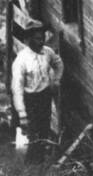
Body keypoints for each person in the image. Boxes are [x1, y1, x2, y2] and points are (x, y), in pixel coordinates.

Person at [11, 19, 63, 156]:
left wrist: (56, 80)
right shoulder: (21, 60)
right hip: (30, 100)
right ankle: (32, 164)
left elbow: (58, 63)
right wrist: (21, 113)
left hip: (45, 96)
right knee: (33, 133)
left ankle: (42, 161)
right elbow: (17, 89)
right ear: (29, 40)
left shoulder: (47, 52)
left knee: (44, 129)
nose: (41, 41)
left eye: (43, 38)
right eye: (38, 39)